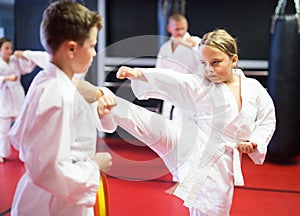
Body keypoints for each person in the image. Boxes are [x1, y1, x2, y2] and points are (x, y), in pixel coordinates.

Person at [102, 29, 276, 215]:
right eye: (203, 63)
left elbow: (267, 119)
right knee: (149, 124)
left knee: (211, 208)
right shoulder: (201, 85)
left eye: (215, 62)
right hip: (190, 141)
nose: (209, 69)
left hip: (220, 161)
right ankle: (106, 100)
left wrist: (254, 141)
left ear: (233, 60)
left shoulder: (254, 88)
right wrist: (139, 74)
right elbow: (176, 80)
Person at [7, 1, 116, 215]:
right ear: (72, 49)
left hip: (60, 195)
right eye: (92, 45)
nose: (94, 53)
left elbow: (24, 136)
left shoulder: (48, 81)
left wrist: (92, 113)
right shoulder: (56, 93)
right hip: (53, 203)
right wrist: (94, 167)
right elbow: (46, 169)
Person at [155, 12, 201, 193]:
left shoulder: (196, 42)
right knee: (171, 140)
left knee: (187, 139)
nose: (180, 32)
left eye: (183, 29)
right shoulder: (166, 47)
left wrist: (193, 47)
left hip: (189, 100)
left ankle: (185, 180)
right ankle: (179, 177)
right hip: (170, 99)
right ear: (169, 29)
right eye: (177, 29)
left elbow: (205, 63)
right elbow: (159, 71)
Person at [0, 37, 37, 163]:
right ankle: (2, 153)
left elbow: (27, 68)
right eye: (6, 48)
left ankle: (24, 153)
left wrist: (23, 56)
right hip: (4, 97)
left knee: (23, 126)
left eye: (11, 48)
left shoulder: (15, 60)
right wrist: (6, 78)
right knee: (3, 129)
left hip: (17, 95)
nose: (10, 51)